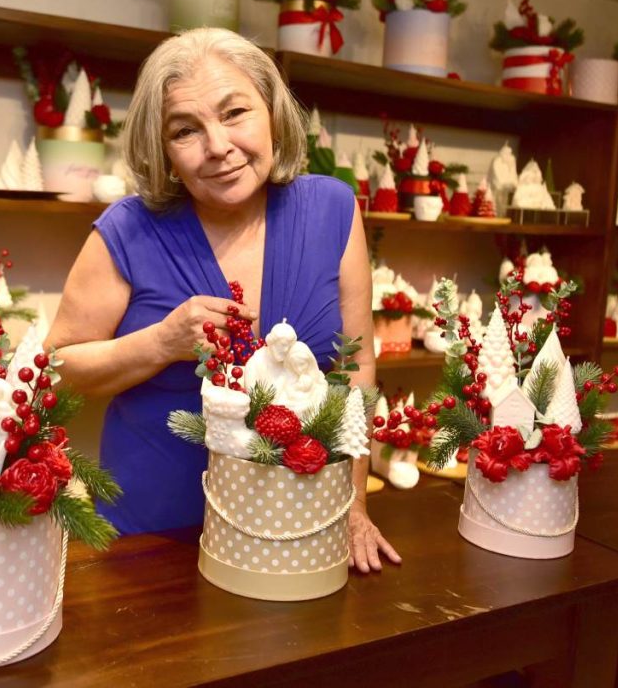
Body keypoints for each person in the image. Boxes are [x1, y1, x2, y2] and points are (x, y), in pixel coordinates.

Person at [48, 28, 400, 573]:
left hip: (300, 523)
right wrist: (162, 342)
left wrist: (352, 504)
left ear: (274, 114)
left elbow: (356, 367)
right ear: (162, 148)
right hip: (154, 537)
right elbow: (55, 371)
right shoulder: (128, 229)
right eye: (185, 130)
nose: (217, 146)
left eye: (235, 113)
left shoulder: (333, 209)